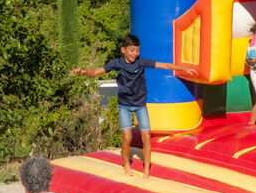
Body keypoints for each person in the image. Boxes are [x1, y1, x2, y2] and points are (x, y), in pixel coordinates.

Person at [72, 33, 195, 178]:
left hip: (140, 104)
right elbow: (95, 73)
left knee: (146, 136)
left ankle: (147, 170)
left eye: (137, 50)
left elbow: (165, 65)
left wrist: (183, 69)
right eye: (132, 50)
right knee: (127, 137)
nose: (135, 54)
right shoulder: (116, 63)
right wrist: (83, 72)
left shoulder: (141, 62)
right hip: (124, 104)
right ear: (123, 50)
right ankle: (126, 164)